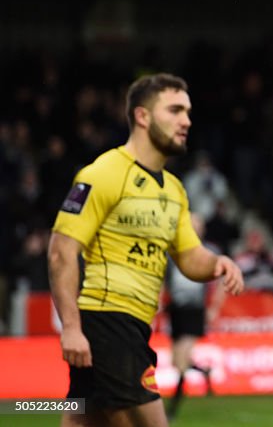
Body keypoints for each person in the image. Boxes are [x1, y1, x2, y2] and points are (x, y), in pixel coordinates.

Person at [48, 73, 244, 427]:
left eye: (187, 111)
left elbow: (189, 257)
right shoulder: (104, 173)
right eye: (174, 110)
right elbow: (61, 251)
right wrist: (72, 328)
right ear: (143, 116)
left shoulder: (174, 190)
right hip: (107, 320)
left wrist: (218, 263)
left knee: (85, 418)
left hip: (136, 325)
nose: (186, 120)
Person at [165, 213, 223, 420]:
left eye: (196, 225)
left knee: (181, 362)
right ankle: (204, 371)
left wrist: (214, 307)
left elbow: (221, 281)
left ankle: (171, 410)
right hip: (176, 309)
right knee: (176, 361)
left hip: (194, 310)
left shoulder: (210, 251)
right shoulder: (172, 251)